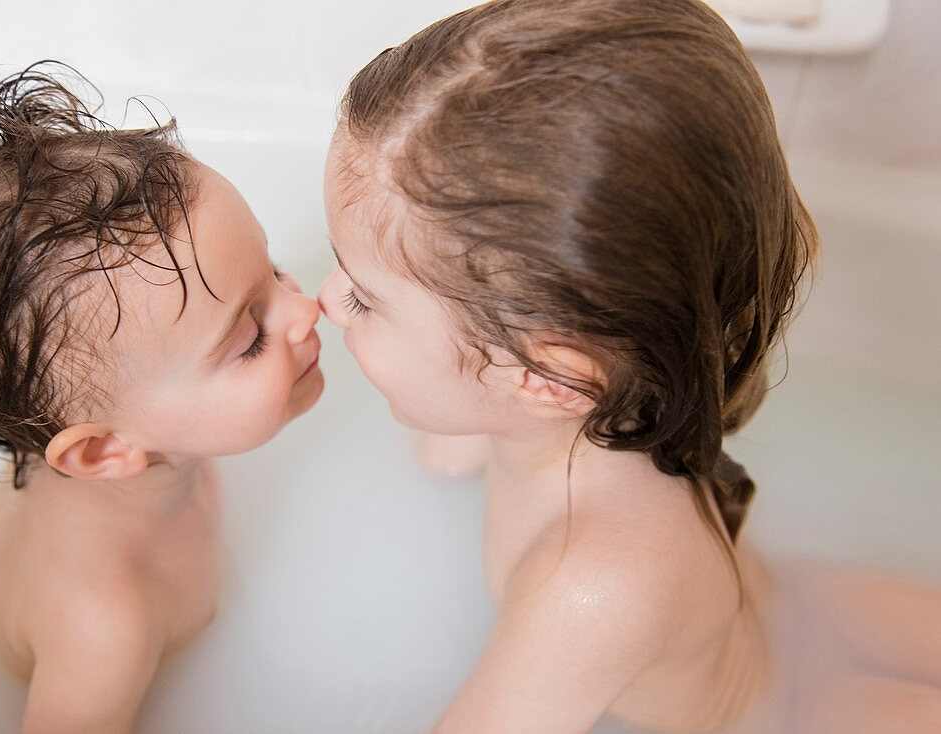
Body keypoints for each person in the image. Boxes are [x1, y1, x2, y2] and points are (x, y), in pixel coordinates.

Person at [317, 1, 940, 732]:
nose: (327, 301)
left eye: (362, 297)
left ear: (547, 379)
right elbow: (461, 416)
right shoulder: (616, 373)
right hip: (788, 599)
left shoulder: (590, 588)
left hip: (779, 716)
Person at [0, 63, 323, 734]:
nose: (306, 308)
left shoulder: (107, 418)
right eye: (252, 338)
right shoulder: (105, 626)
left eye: (274, 269)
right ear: (106, 449)